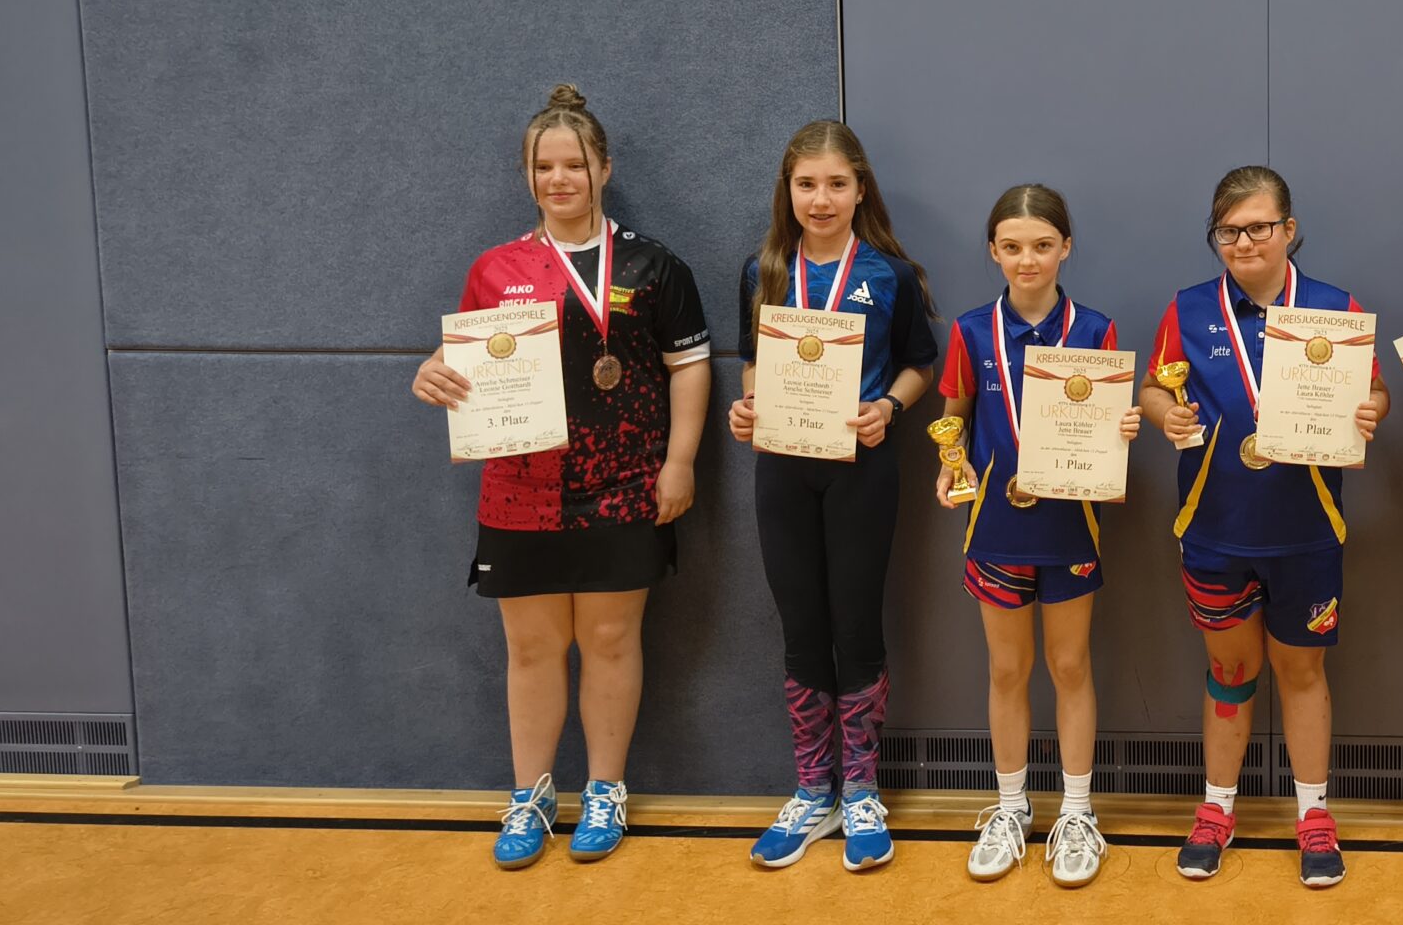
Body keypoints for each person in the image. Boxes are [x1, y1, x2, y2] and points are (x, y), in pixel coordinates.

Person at [412, 84, 711, 869]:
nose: (558, 179)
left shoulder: (654, 265)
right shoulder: (496, 268)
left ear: (603, 168)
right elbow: (469, 358)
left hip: (627, 484)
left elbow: (689, 367)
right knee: (533, 648)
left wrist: (679, 461)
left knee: (610, 639)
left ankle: (605, 790)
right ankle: (532, 794)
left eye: (573, 164)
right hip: (522, 490)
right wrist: (433, 371)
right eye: (543, 167)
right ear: (527, 176)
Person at [1138, 166, 1388, 890]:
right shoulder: (1188, 309)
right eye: (1228, 231)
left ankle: (1314, 815)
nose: (1243, 242)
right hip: (1215, 528)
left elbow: (1374, 389)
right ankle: (1216, 810)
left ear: (1289, 229)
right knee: (1229, 672)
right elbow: (1153, 387)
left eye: (1258, 227)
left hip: (1306, 529)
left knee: (1303, 673)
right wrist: (1165, 414)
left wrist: (1373, 409)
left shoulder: (1334, 309)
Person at [727, 121, 940, 871]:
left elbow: (921, 364)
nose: (821, 199)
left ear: (860, 189)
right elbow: (752, 363)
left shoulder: (891, 275)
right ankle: (813, 789)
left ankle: (861, 790)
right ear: (787, 191)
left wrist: (890, 408)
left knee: (857, 624)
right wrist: (747, 408)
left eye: (836, 184)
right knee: (801, 629)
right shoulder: (762, 270)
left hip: (861, 469)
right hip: (783, 471)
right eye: (807, 184)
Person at [938, 185, 1140, 888]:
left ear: (1066, 248)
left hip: (1070, 526)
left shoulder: (1096, 330)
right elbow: (954, 418)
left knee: (1071, 665)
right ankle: (1010, 808)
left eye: (1043, 245)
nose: (1028, 260)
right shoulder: (970, 331)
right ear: (993, 251)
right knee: (1005, 670)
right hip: (995, 526)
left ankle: (1078, 812)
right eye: (1013, 247)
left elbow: (1112, 423)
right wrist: (951, 464)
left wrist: (1123, 428)